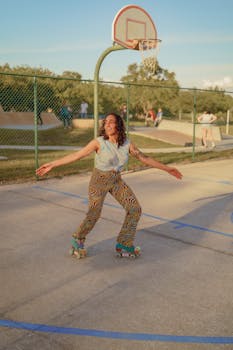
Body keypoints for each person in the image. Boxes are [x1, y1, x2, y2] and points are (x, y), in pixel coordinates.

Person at [36, 112, 183, 258]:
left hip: (115, 180)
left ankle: (124, 243)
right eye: (105, 122)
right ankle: (78, 239)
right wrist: (52, 164)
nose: (107, 124)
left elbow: (144, 158)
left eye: (111, 121)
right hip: (98, 180)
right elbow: (77, 155)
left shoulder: (127, 144)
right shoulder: (99, 142)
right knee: (94, 213)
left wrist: (167, 168)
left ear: (118, 124)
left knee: (135, 209)